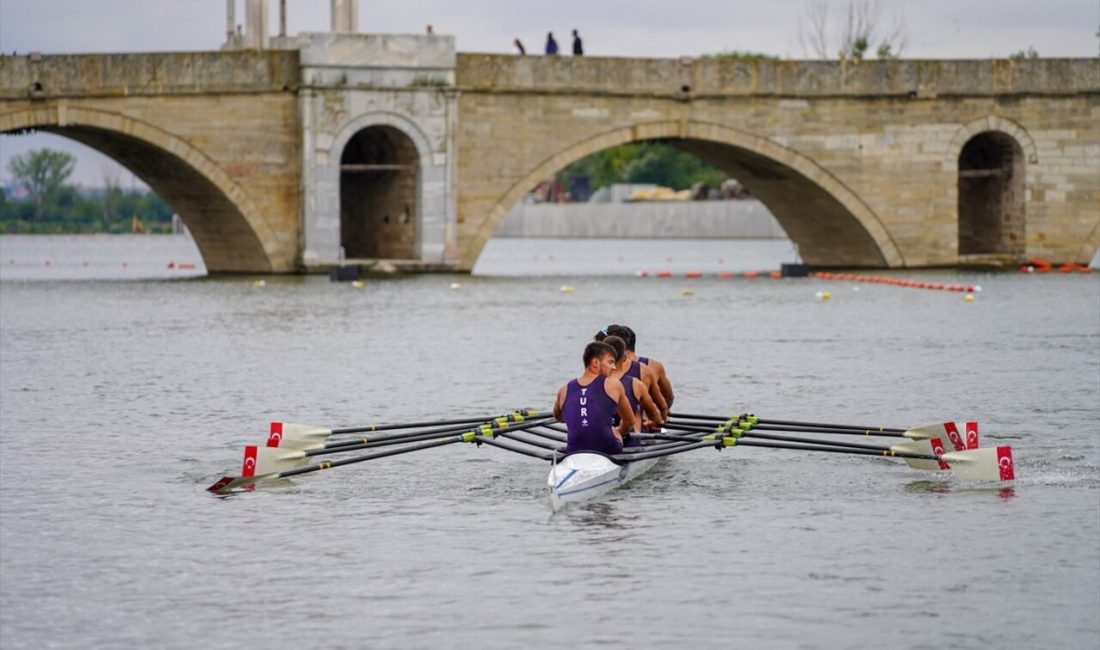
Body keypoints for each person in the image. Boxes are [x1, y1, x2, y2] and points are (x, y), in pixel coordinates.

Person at [554, 341, 634, 455]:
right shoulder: (613, 384)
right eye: (610, 362)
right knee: (614, 431)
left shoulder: (564, 390)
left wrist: (580, 417)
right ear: (595, 363)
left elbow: (558, 417)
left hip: (573, 451)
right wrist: (619, 431)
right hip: (607, 450)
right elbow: (630, 421)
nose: (614, 367)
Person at [597, 324, 673, 418]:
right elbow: (668, 399)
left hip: (628, 427)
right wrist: (660, 417)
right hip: (640, 425)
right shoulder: (652, 367)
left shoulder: (595, 372)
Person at [602, 335, 663, 442]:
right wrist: (656, 421)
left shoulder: (586, 382)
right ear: (625, 358)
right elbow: (655, 415)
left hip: (595, 441)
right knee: (637, 411)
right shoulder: (636, 384)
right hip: (626, 441)